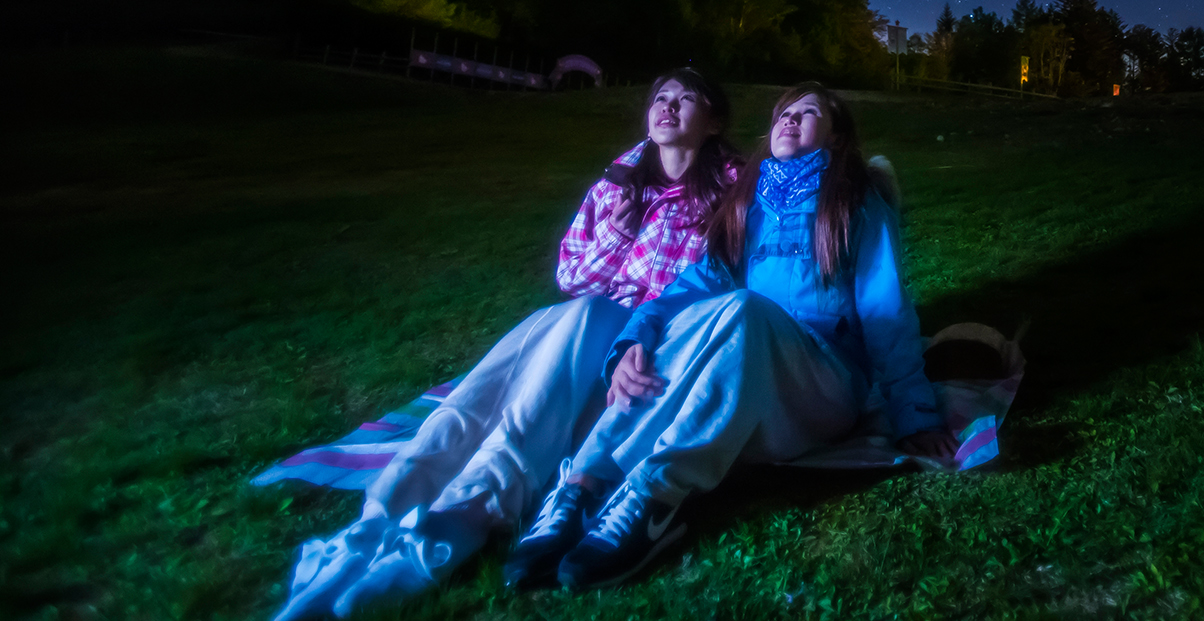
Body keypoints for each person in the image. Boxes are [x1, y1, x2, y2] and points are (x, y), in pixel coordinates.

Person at [274, 69, 740, 620]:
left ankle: (466, 515)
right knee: (501, 385)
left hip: (660, 331)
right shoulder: (618, 183)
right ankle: (385, 512)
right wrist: (616, 231)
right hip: (590, 316)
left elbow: (726, 280)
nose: (668, 108)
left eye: (687, 100)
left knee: (553, 368)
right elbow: (571, 274)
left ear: (712, 122)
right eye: (660, 97)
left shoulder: (732, 191)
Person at [504, 83, 955, 592]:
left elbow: (884, 308)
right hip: (759, 383)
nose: (790, 119)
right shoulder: (750, 198)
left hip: (826, 384)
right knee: (686, 322)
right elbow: (698, 281)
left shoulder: (855, 198)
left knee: (743, 310)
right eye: (783, 112)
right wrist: (636, 336)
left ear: (836, 137)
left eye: (808, 113)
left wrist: (915, 414)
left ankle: (655, 498)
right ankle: (584, 484)